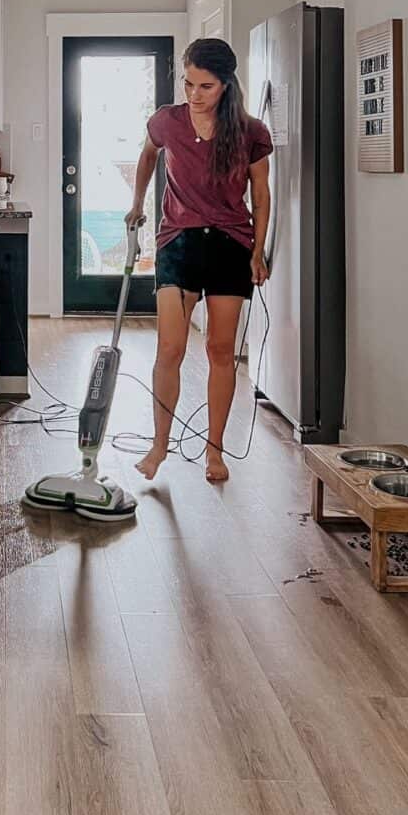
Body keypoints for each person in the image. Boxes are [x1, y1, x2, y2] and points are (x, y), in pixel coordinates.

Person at [125, 38, 271, 483]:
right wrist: (138, 203)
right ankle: (158, 446)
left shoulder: (249, 131)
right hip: (178, 242)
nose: (194, 94)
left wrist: (258, 250)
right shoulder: (166, 122)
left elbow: (261, 196)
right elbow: (148, 155)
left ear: (226, 85)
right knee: (169, 349)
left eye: (205, 86)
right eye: (188, 83)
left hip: (230, 244)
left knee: (219, 351)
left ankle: (215, 451)